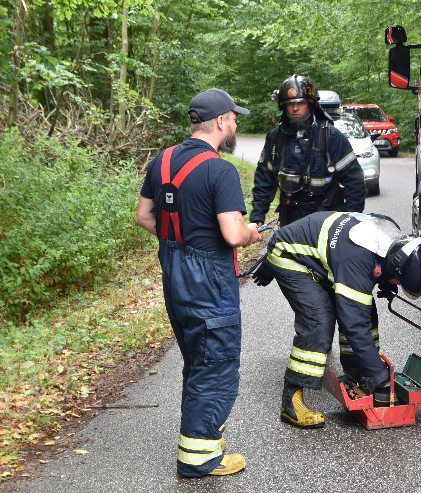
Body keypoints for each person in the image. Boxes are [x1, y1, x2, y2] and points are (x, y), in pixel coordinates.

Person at [135, 88, 262, 478]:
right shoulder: (220, 169)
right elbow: (231, 234)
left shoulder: (163, 160)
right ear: (221, 121)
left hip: (175, 274)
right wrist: (252, 232)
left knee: (198, 358)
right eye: (234, 117)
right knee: (217, 365)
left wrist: (183, 238)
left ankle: (200, 438)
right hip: (209, 280)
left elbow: (143, 216)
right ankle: (199, 458)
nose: (236, 123)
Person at [251, 211, 421, 428]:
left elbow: (380, 270)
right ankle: (291, 402)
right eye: (397, 279)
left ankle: (358, 373)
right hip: (290, 255)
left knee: (363, 309)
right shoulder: (357, 259)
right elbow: (354, 324)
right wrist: (379, 375)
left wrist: (387, 282)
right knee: (319, 321)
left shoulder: (392, 237)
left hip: (325, 258)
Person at [249, 74, 366, 227]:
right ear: (283, 106)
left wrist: (350, 221)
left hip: (328, 218)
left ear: (310, 104)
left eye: (300, 103)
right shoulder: (275, 138)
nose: (295, 108)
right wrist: (258, 216)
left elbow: (354, 182)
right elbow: (264, 179)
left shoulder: (331, 136)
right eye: (290, 104)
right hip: (291, 218)